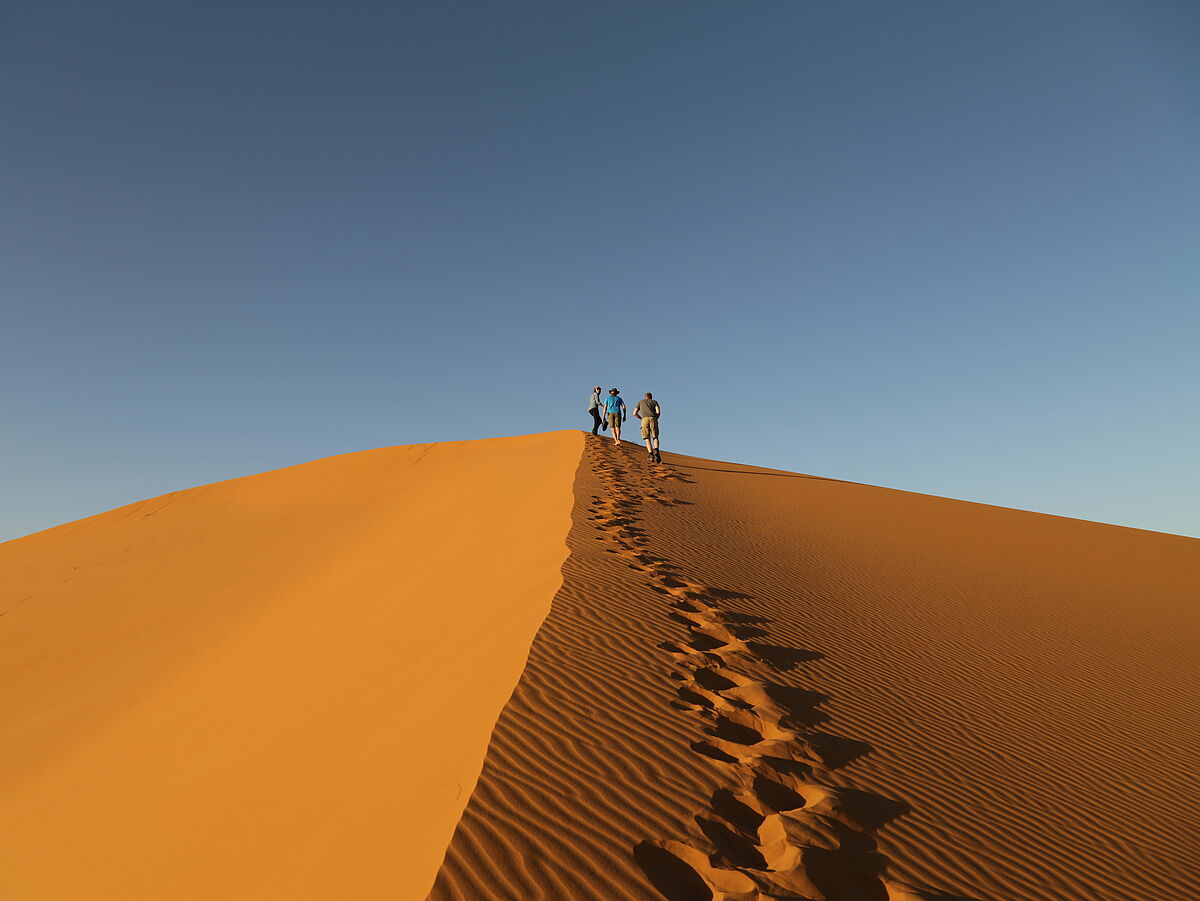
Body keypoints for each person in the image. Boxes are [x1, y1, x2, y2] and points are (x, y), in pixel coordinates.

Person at [634, 392, 662, 462]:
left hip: (644, 419)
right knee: (655, 436)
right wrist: (656, 418)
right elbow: (658, 412)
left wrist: (641, 418)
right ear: (651, 397)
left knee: (647, 437)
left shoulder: (640, 402)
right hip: (653, 418)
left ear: (645, 397)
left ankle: (650, 454)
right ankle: (656, 451)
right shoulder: (655, 402)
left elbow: (634, 413)